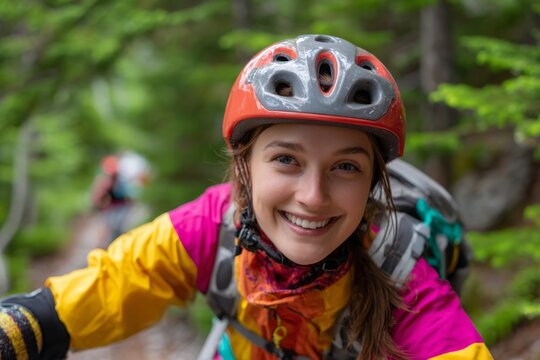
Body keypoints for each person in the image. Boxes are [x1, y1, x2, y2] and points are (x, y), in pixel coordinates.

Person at [0, 34, 492, 360]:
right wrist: (26, 325)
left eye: (346, 167)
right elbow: (123, 279)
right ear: (244, 167)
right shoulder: (212, 225)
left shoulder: (402, 279)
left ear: (372, 184)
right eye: (286, 160)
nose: (313, 196)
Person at [90, 150, 151, 244]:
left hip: (121, 206)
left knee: (117, 228)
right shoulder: (103, 180)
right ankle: (109, 246)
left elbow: (129, 192)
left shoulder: (121, 178)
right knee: (111, 228)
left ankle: (115, 246)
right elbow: (98, 196)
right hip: (111, 208)